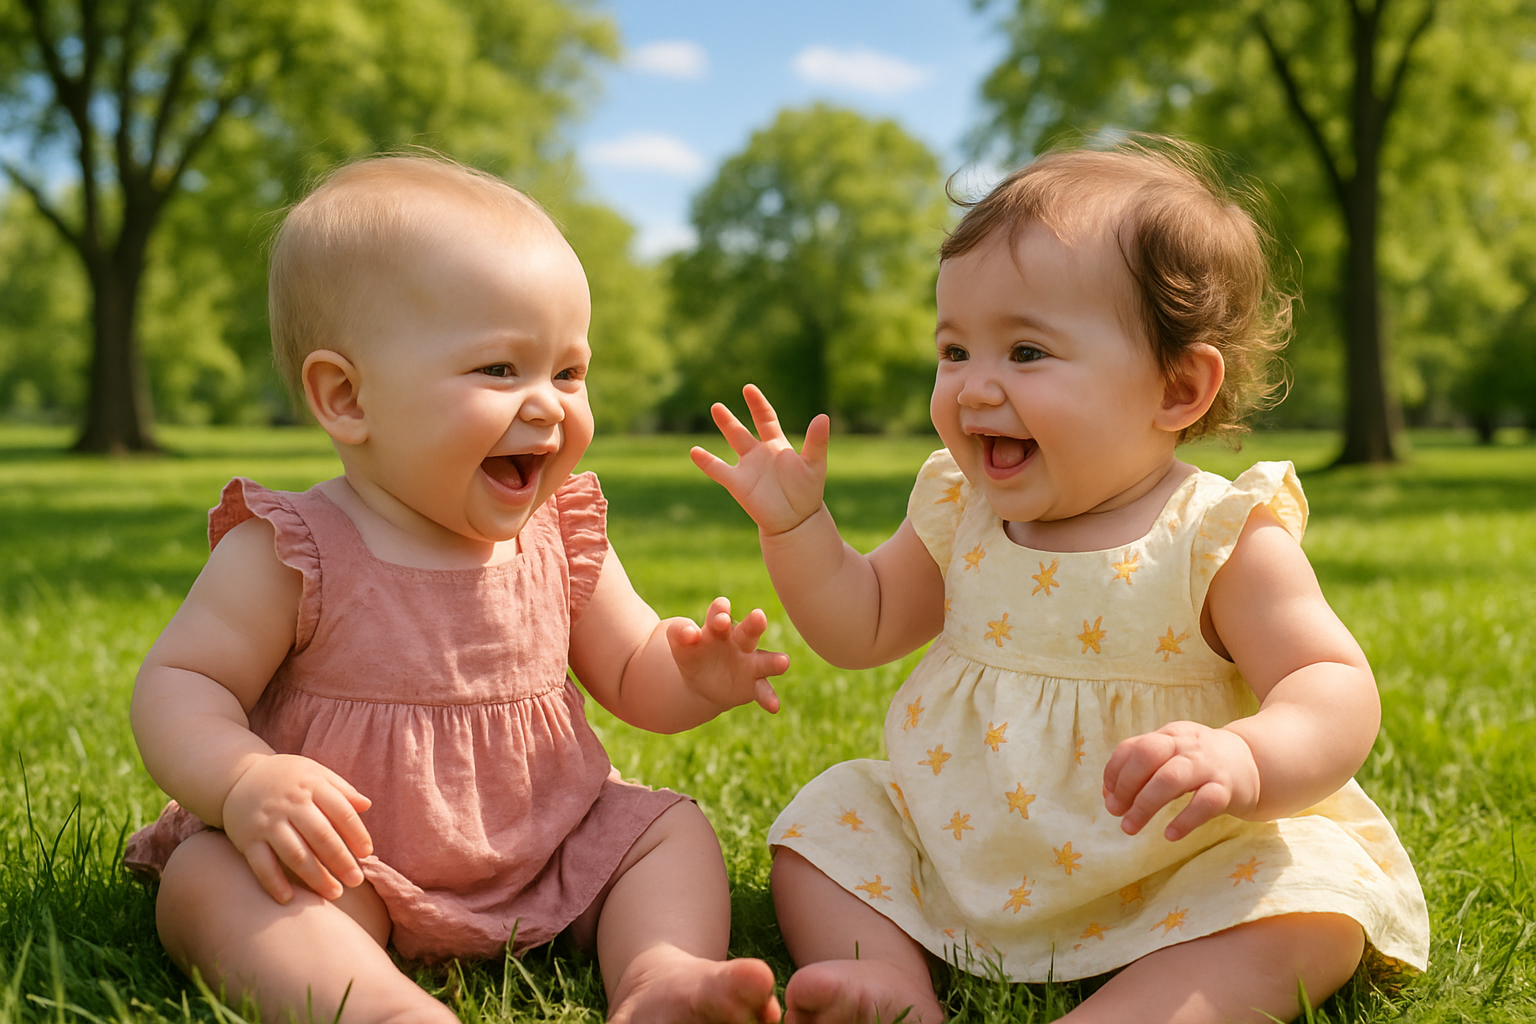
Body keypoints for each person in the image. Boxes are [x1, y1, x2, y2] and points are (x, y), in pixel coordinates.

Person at [692, 141, 1429, 1024]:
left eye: (1026, 351)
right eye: (955, 349)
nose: (974, 387)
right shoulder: (960, 510)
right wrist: (797, 528)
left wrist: (1246, 756)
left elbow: (1329, 681)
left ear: (1178, 386)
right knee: (827, 822)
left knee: (1307, 902)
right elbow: (863, 624)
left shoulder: (1217, 536)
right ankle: (888, 983)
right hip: (969, 843)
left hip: (1177, 863)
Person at [126, 155, 787, 1024]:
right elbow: (183, 681)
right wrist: (244, 778)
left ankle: (659, 976)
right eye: (499, 370)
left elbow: (631, 670)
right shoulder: (292, 549)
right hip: (346, 863)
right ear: (346, 397)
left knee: (667, 830)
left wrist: (692, 676)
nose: (548, 406)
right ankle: (381, 1009)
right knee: (212, 883)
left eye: (569, 372)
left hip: (547, 844)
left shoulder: (559, 535)